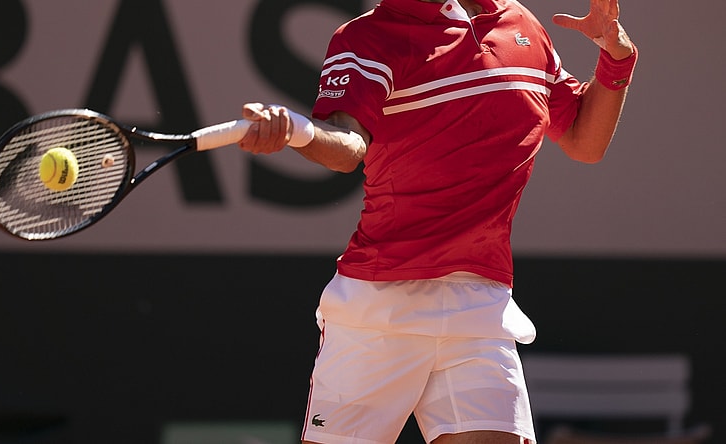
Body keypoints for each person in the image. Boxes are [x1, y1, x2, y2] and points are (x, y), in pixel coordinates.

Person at [238, 0, 637, 442]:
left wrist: (617, 58)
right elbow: (349, 145)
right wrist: (297, 129)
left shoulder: (522, 26)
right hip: (380, 309)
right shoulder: (370, 36)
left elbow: (584, 141)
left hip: (481, 305)